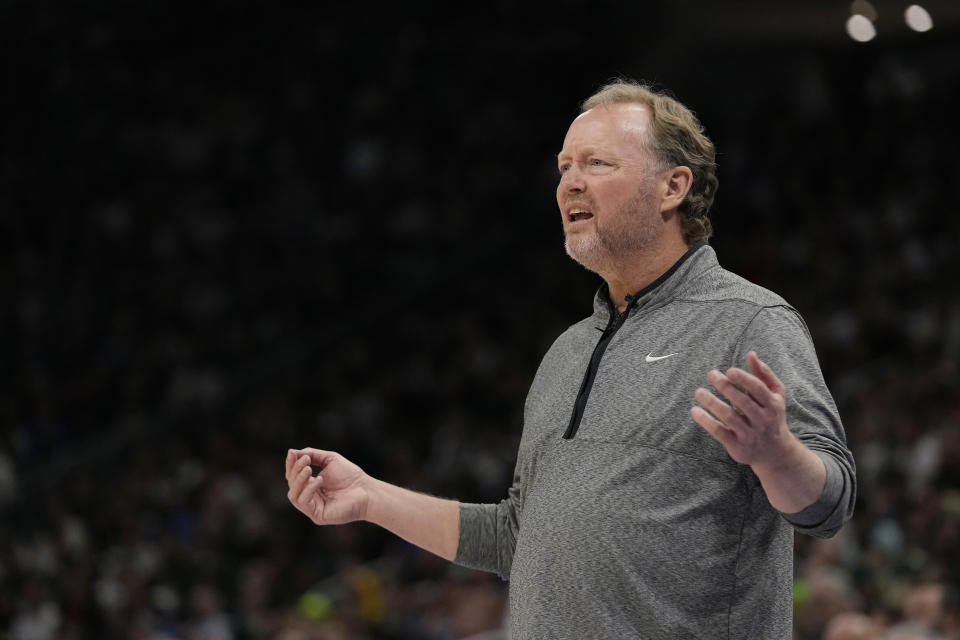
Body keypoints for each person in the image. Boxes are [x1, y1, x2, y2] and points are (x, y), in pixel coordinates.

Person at [285, 79, 856, 638]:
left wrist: (776, 454)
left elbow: (829, 505)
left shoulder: (748, 321)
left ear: (673, 187)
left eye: (596, 164)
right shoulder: (567, 351)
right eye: (564, 167)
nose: (569, 184)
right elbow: (515, 535)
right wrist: (371, 498)